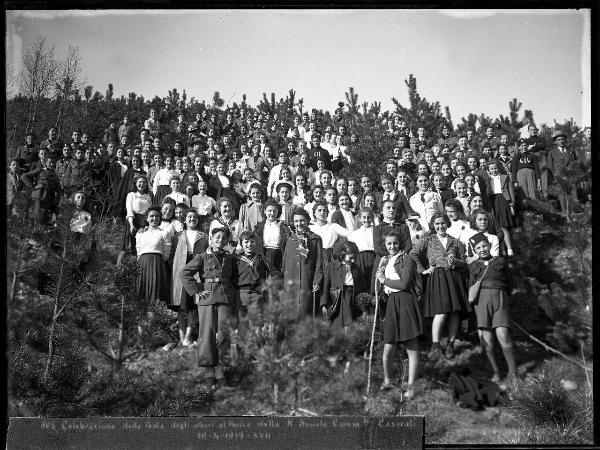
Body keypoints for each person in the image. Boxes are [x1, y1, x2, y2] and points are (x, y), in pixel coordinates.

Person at [181, 227, 236, 387]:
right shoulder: (202, 257)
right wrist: (196, 291)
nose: (220, 240)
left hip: (225, 297)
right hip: (207, 299)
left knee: (224, 334)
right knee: (207, 334)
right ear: (211, 238)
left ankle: (220, 368)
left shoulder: (230, 258)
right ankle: (208, 370)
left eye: (224, 238)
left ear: (227, 241)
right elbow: (184, 273)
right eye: (217, 237)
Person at [375, 230, 423, 398]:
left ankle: (411, 387)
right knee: (388, 347)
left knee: (411, 346)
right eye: (389, 244)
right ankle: (387, 381)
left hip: (405, 301)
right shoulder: (386, 261)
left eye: (395, 243)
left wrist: (383, 279)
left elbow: (403, 284)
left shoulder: (407, 259)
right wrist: (382, 270)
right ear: (385, 245)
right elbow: (382, 285)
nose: (392, 246)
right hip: (392, 303)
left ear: (400, 243)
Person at [417, 212, 470, 360]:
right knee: (441, 312)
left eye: (443, 223)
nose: (440, 226)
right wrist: (424, 270)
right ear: (433, 225)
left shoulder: (455, 241)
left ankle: (451, 344)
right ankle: (435, 345)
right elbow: (413, 255)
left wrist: (456, 261)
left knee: (454, 312)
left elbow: (464, 263)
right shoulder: (427, 240)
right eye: (437, 224)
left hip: (453, 278)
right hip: (438, 278)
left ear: (447, 223)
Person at [468, 233, 518, 387]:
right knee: (488, 339)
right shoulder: (474, 266)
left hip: (500, 300)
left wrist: (503, 296)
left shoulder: (500, 261)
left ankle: (513, 372)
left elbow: (510, 282)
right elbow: (470, 288)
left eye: (484, 246)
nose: (482, 249)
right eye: (478, 248)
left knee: (503, 335)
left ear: (489, 245)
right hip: (481, 302)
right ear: (475, 251)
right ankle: (496, 371)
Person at [170, 209, 208, 347]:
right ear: (185, 220)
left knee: (193, 304)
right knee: (181, 305)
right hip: (181, 268)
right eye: (189, 217)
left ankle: (188, 336)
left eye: (195, 217)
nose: (192, 219)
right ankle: (181, 337)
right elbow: (171, 256)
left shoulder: (203, 236)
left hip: (196, 268)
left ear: (198, 220)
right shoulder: (177, 236)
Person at [233, 231, 281, 329]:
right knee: (242, 325)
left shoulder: (261, 258)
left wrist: (266, 286)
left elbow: (276, 274)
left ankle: (256, 344)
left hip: (257, 295)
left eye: (252, 241)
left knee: (256, 326)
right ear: (241, 243)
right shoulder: (236, 259)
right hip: (240, 295)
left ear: (256, 243)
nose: (249, 244)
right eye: (246, 242)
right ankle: (242, 345)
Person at [282, 209, 324, 317]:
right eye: (296, 221)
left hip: (307, 278)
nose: (299, 223)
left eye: (302, 220)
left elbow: (319, 262)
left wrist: (317, 280)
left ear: (307, 221)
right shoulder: (290, 238)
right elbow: (285, 260)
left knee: (305, 309)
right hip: (291, 279)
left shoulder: (315, 239)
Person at [320, 241, 366, 331]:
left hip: (352, 300)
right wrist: (324, 304)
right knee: (338, 326)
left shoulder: (356, 269)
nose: (353, 260)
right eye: (351, 257)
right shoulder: (332, 266)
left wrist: (364, 306)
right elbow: (325, 286)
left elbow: (363, 288)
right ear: (343, 254)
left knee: (350, 326)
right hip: (337, 300)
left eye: (355, 258)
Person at [372, 199, 412, 292]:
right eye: (388, 207)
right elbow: (378, 248)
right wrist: (390, 257)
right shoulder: (378, 228)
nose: (391, 210)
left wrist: (398, 258)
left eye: (393, 208)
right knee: (381, 292)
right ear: (382, 211)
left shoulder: (403, 226)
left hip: (400, 262)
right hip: (383, 260)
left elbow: (408, 245)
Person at [135, 205, 172, 306]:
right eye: (151, 216)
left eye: (157, 216)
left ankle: (156, 316)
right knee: (142, 288)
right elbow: (138, 250)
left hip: (157, 263)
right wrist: (141, 262)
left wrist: (158, 261)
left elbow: (167, 252)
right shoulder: (140, 233)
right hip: (142, 264)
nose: (154, 218)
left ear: (160, 218)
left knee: (156, 288)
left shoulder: (164, 232)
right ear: (147, 218)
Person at [117, 174, 152, 266]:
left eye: (144, 182)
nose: (142, 184)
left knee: (140, 247)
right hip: (133, 221)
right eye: (140, 182)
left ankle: (136, 268)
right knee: (127, 246)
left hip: (144, 222)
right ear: (136, 184)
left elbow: (149, 211)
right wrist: (132, 224)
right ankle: (118, 269)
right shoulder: (131, 195)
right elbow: (129, 210)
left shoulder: (148, 196)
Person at [485, 160, 516, 256]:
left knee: (503, 225)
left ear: (498, 168)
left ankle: (509, 248)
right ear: (488, 170)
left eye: (495, 168)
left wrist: (512, 205)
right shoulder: (487, 179)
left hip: (503, 200)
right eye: (491, 169)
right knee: (496, 226)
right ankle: (501, 249)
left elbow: (511, 192)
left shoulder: (505, 177)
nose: (494, 170)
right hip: (492, 201)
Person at [21, 155, 61, 226]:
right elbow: (24, 176)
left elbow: (58, 191)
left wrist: (56, 202)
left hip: (47, 200)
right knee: (32, 217)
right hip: (37, 197)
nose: (52, 164)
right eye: (50, 162)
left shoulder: (56, 176)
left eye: (53, 163)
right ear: (46, 163)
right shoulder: (40, 170)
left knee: (41, 220)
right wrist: (31, 186)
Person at [253, 199, 291, 271]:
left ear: (278, 212)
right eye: (269, 211)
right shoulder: (260, 226)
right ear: (265, 211)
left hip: (278, 256)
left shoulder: (283, 226)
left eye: (274, 211)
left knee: (276, 278)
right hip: (263, 255)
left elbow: (287, 242)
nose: (272, 213)